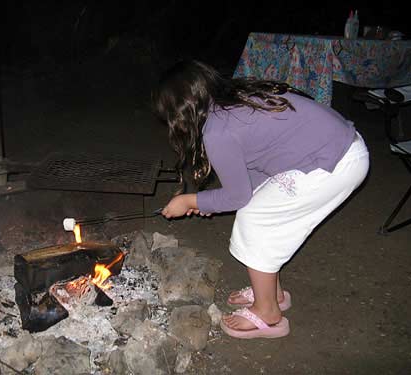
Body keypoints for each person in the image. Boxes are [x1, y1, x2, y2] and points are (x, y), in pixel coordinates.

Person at [151, 60, 369, 339]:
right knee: (257, 209)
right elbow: (249, 180)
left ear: (181, 114)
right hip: (342, 147)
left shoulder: (217, 131)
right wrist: (208, 200)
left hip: (335, 163)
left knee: (254, 220)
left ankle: (269, 313)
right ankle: (273, 295)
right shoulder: (233, 102)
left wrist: (191, 201)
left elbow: (238, 196)